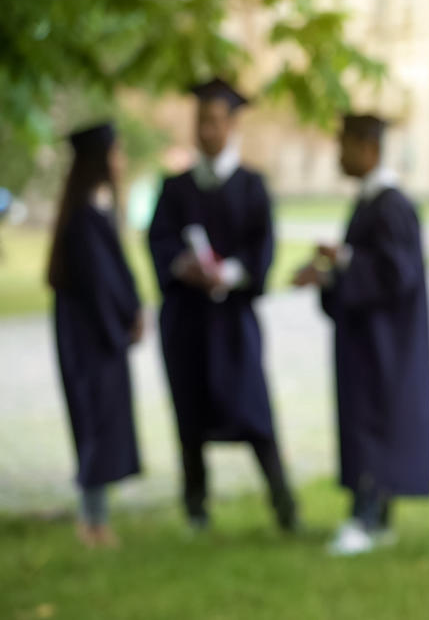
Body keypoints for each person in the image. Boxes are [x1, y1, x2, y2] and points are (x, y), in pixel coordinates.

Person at [147, 78, 298, 533]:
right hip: (187, 321)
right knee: (189, 413)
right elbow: (158, 241)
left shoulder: (252, 186)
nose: (207, 131)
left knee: (254, 411)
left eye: (215, 121)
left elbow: (263, 250)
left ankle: (284, 507)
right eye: (201, 121)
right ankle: (195, 508)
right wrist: (181, 266)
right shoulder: (175, 187)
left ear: (233, 125)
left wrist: (228, 273)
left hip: (232, 321)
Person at [293, 113, 429, 556]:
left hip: (383, 344)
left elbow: (397, 274)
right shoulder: (372, 201)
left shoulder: (391, 205)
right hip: (370, 339)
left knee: (371, 423)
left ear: (368, 148)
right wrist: (331, 270)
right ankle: (376, 518)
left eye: (345, 145)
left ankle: (365, 517)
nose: (339, 154)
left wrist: (346, 258)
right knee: (370, 421)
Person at [47, 121, 143, 548]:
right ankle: (93, 522)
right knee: (97, 426)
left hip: (94, 337)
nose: (121, 162)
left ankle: (95, 519)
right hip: (93, 341)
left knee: (98, 424)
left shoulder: (90, 211)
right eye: (116, 153)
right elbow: (100, 286)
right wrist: (123, 327)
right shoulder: (86, 218)